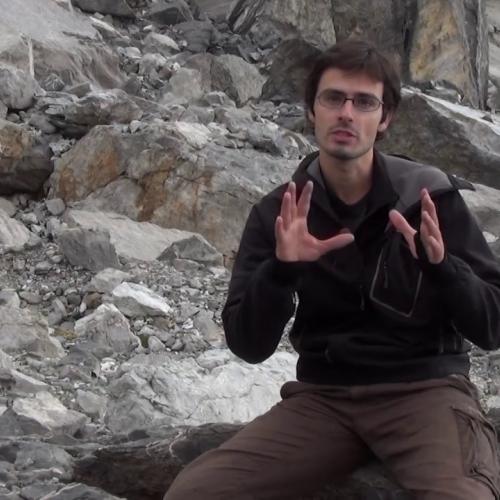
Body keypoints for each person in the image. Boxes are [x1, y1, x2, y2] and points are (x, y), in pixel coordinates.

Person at [164, 39, 500, 500]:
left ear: (385, 119)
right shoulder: (279, 213)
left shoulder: (429, 198)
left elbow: (492, 326)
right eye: (333, 98)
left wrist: (445, 269)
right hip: (325, 399)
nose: (347, 113)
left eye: (364, 102)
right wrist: (281, 272)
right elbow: (248, 344)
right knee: (196, 493)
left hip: (425, 391)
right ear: (312, 110)